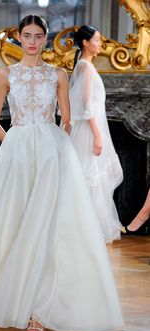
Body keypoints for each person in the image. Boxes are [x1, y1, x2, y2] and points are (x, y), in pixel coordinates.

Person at [0, 15, 124, 331]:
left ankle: (39, 308)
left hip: (52, 153)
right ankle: (5, 299)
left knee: (48, 225)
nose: (33, 41)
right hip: (17, 152)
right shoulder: (6, 74)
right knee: (11, 221)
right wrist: (14, 144)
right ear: (18, 38)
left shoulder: (59, 74)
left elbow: (67, 119)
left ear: (46, 38)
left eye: (39, 35)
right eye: (27, 35)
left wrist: (56, 147)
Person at [69, 25, 123, 243]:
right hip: (89, 130)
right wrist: (96, 134)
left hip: (92, 126)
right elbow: (84, 102)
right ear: (85, 42)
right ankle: (84, 229)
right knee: (88, 176)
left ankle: (88, 228)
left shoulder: (86, 66)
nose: (101, 44)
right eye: (97, 40)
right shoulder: (85, 67)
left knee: (91, 177)